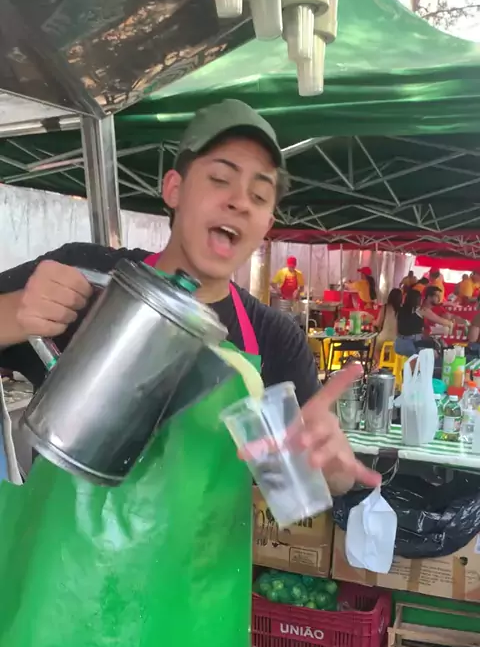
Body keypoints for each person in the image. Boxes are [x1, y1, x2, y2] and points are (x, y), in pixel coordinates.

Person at [0, 98, 379, 495]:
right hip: (61, 535)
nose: (239, 202)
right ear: (174, 189)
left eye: (258, 195)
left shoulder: (274, 339)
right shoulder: (86, 275)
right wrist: (15, 313)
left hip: (205, 539)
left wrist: (331, 468)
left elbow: (295, 484)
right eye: (220, 178)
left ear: (266, 225)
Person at [395, 287, 454, 357]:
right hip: (413, 345)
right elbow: (441, 321)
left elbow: (396, 331)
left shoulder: (399, 310)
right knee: (436, 352)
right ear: (418, 300)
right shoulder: (421, 310)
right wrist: (450, 324)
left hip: (399, 345)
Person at [373, 288, 402, 361]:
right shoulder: (402, 309)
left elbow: (378, 323)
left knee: (374, 346)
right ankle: (388, 362)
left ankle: (379, 363)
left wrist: (372, 321)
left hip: (384, 338)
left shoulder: (385, 307)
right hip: (397, 339)